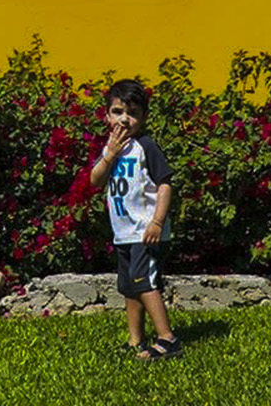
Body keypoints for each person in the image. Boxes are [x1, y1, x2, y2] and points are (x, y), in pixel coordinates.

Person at [89, 78, 181, 360]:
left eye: (132, 113)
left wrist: (157, 222)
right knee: (130, 288)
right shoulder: (111, 148)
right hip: (124, 232)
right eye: (117, 112)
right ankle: (135, 339)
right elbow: (95, 180)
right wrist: (109, 155)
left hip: (146, 231)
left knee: (144, 283)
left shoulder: (146, 147)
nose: (124, 119)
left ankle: (168, 339)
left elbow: (165, 184)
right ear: (107, 115)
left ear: (144, 117)